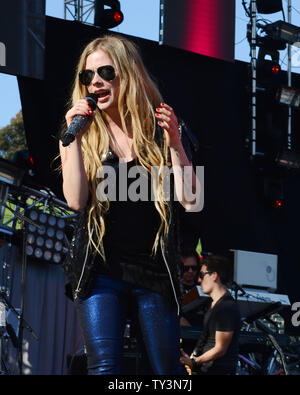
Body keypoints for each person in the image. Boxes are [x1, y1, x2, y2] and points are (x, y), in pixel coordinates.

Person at [59, 33, 200, 375]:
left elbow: (192, 202)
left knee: (164, 370)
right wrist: (72, 141)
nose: (95, 82)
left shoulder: (162, 129)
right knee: (104, 367)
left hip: (154, 272)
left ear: (128, 73)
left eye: (105, 72)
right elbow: (76, 201)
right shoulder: (80, 134)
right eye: (87, 76)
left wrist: (176, 146)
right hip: (101, 272)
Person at [180, 254, 241, 375]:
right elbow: (208, 340)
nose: (198, 280)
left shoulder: (226, 307)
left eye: (202, 275)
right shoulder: (214, 305)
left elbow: (220, 349)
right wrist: (192, 360)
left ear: (214, 275)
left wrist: (194, 362)